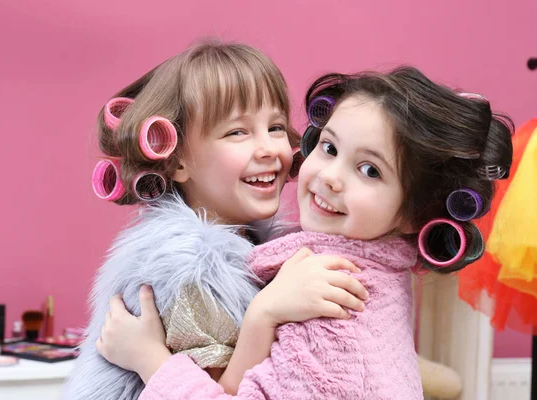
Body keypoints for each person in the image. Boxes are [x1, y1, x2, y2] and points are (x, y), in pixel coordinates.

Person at [63, 41, 366, 400]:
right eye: (237, 132)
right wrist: (263, 315)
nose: (268, 148)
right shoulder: (190, 269)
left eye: (276, 127)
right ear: (177, 162)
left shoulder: (257, 245)